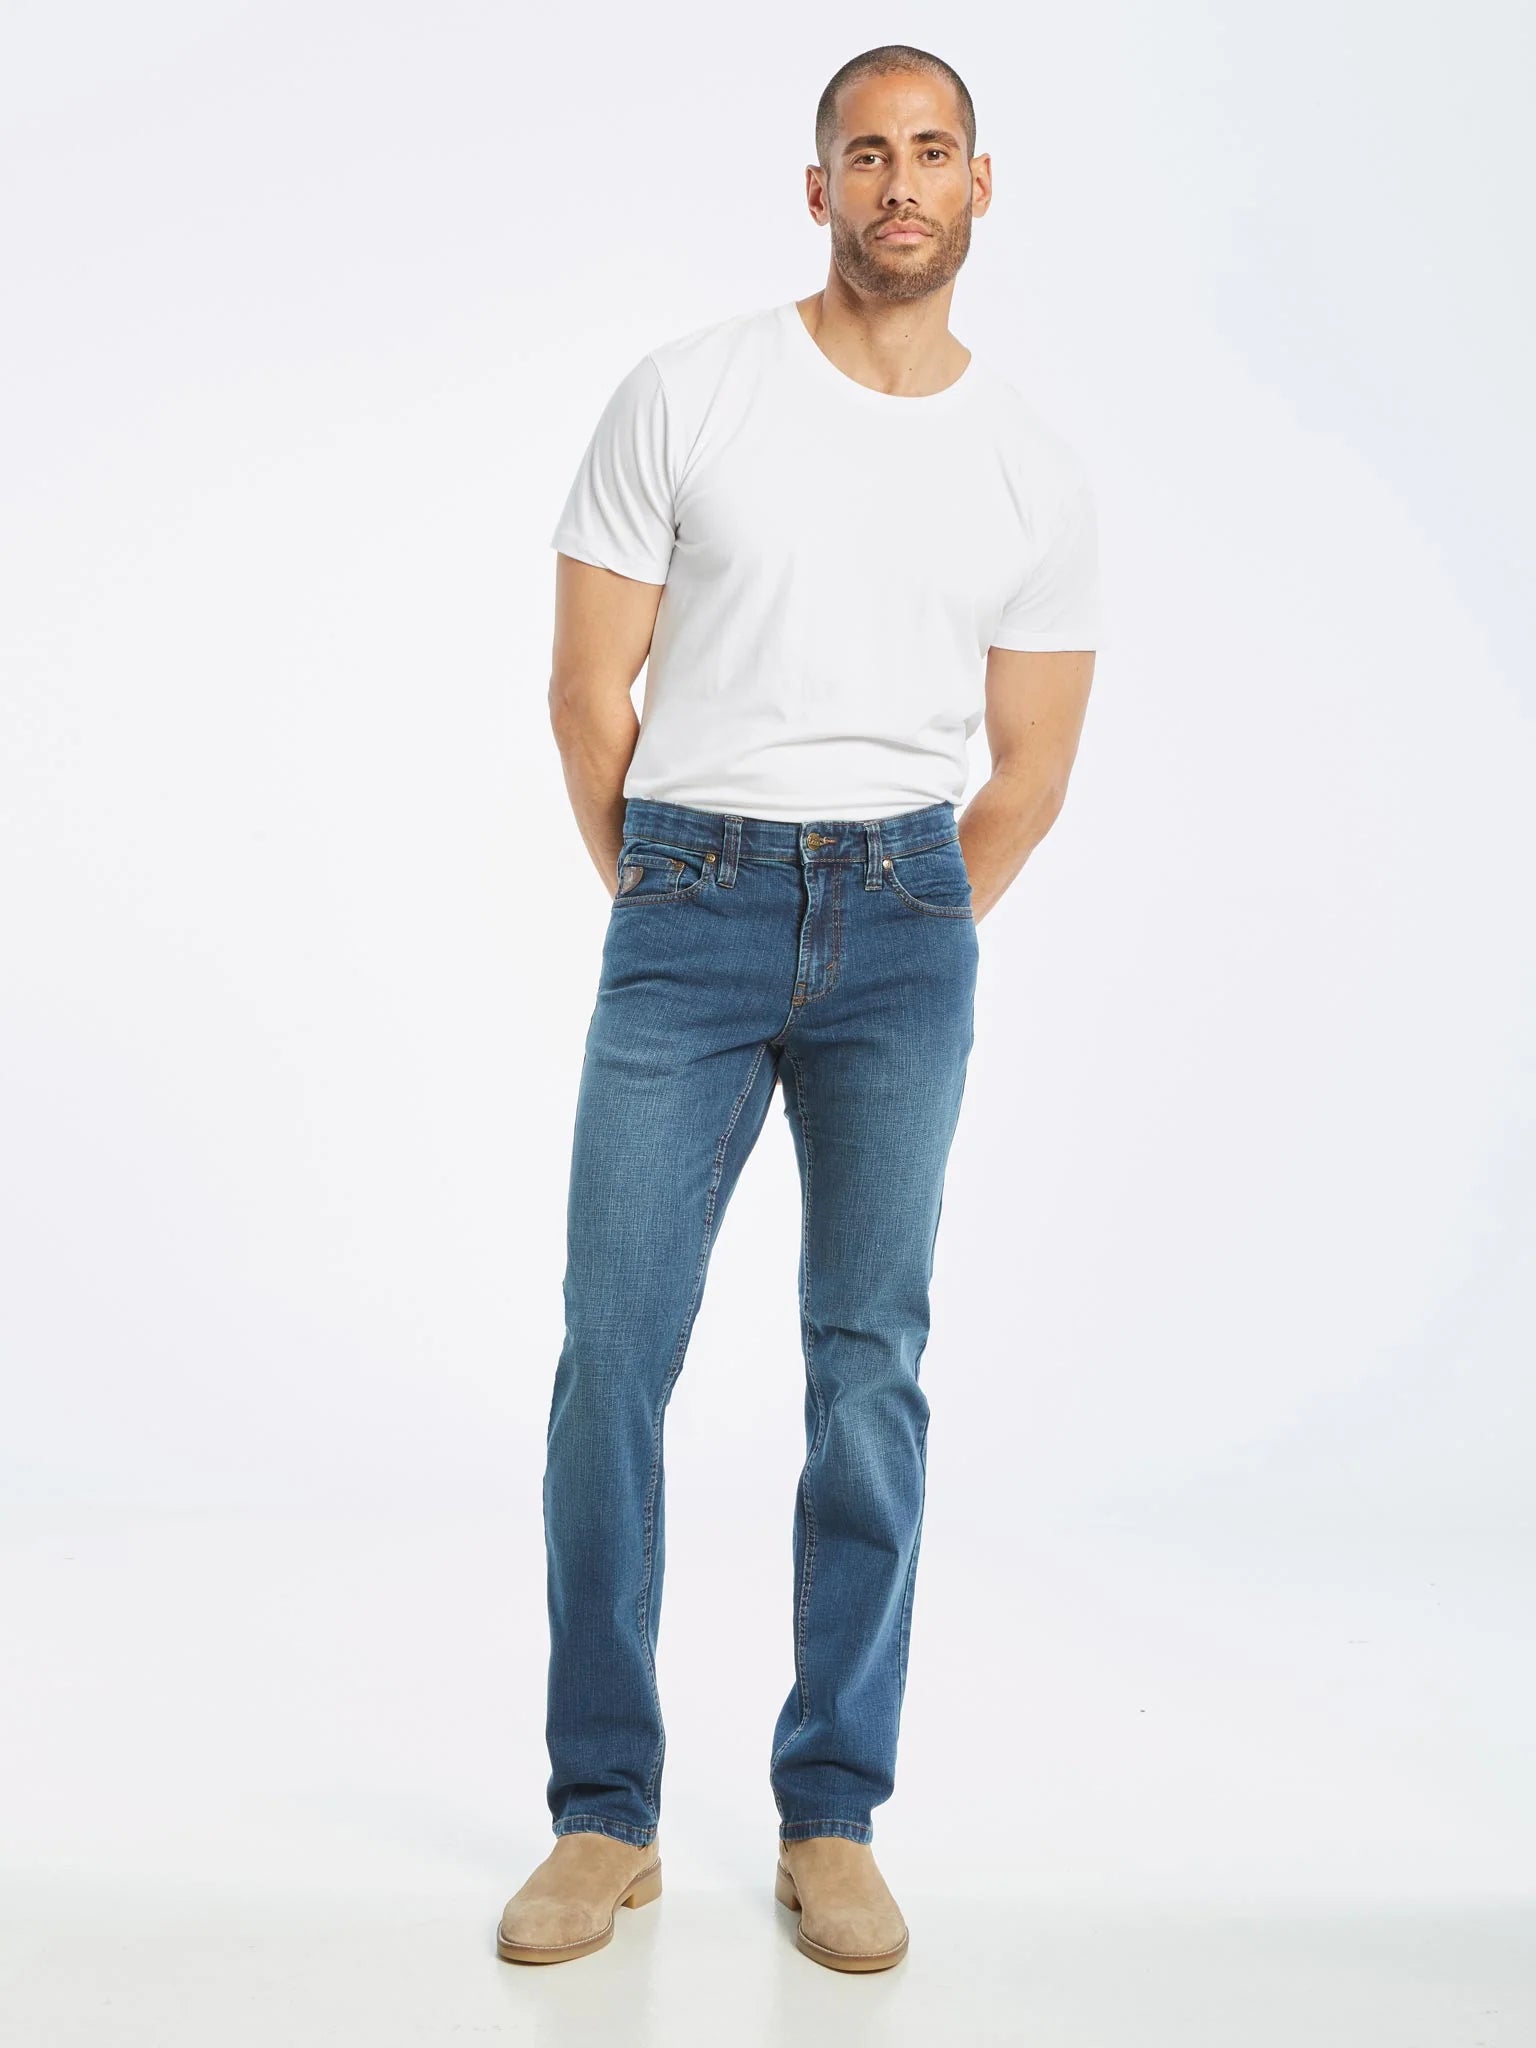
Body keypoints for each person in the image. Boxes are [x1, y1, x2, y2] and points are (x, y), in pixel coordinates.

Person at [498, 42, 1099, 1974]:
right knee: (615, 1355)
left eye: (933, 152)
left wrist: (902, 922)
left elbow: (1028, 769)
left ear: (981, 185)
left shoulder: (1030, 466)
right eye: (867, 153)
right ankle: (604, 1813)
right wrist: (681, 898)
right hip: (688, 897)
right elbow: (588, 692)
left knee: (869, 1365)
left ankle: (831, 1814)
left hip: (907, 914)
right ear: (818, 185)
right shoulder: (691, 393)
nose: (899, 182)